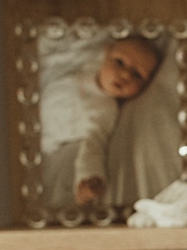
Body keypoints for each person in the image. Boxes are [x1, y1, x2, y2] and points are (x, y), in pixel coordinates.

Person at [40, 34, 161, 207]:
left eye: (137, 75)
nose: (125, 74)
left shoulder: (105, 110)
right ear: (105, 53)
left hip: (44, 142)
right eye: (119, 62)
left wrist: (89, 178)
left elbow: (93, 146)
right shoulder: (86, 67)